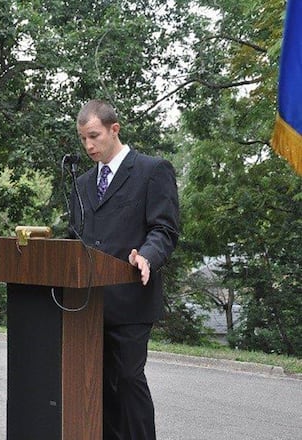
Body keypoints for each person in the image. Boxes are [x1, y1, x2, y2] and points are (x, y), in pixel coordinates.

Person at [69, 99, 180, 440]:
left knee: (128, 380)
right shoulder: (82, 183)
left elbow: (164, 229)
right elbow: (75, 237)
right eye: (83, 139)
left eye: (94, 136)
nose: (88, 146)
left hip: (131, 299)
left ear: (114, 129)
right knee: (94, 385)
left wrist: (147, 255)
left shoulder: (151, 170)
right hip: (87, 304)